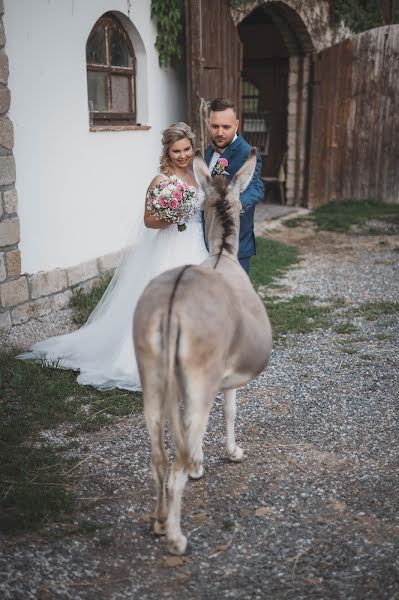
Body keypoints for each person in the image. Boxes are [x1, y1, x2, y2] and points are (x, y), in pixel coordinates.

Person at [17, 123, 208, 391]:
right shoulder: (160, 182)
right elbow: (148, 220)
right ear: (167, 151)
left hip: (196, 246)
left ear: (192, 147)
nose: (183, 155)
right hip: (170, 247)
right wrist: (171, 215)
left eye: (186, 149)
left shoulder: (199, 176)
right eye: (176, 151)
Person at [205, 98, 264, 273]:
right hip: (209, 238)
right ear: (209, 124)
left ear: (236, 125)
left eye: (226, 127)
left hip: (235, 241)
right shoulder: (209, 151)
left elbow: (255, 188)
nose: (219, 132)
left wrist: (235, 204)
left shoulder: (247, 153)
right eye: (215, 126)